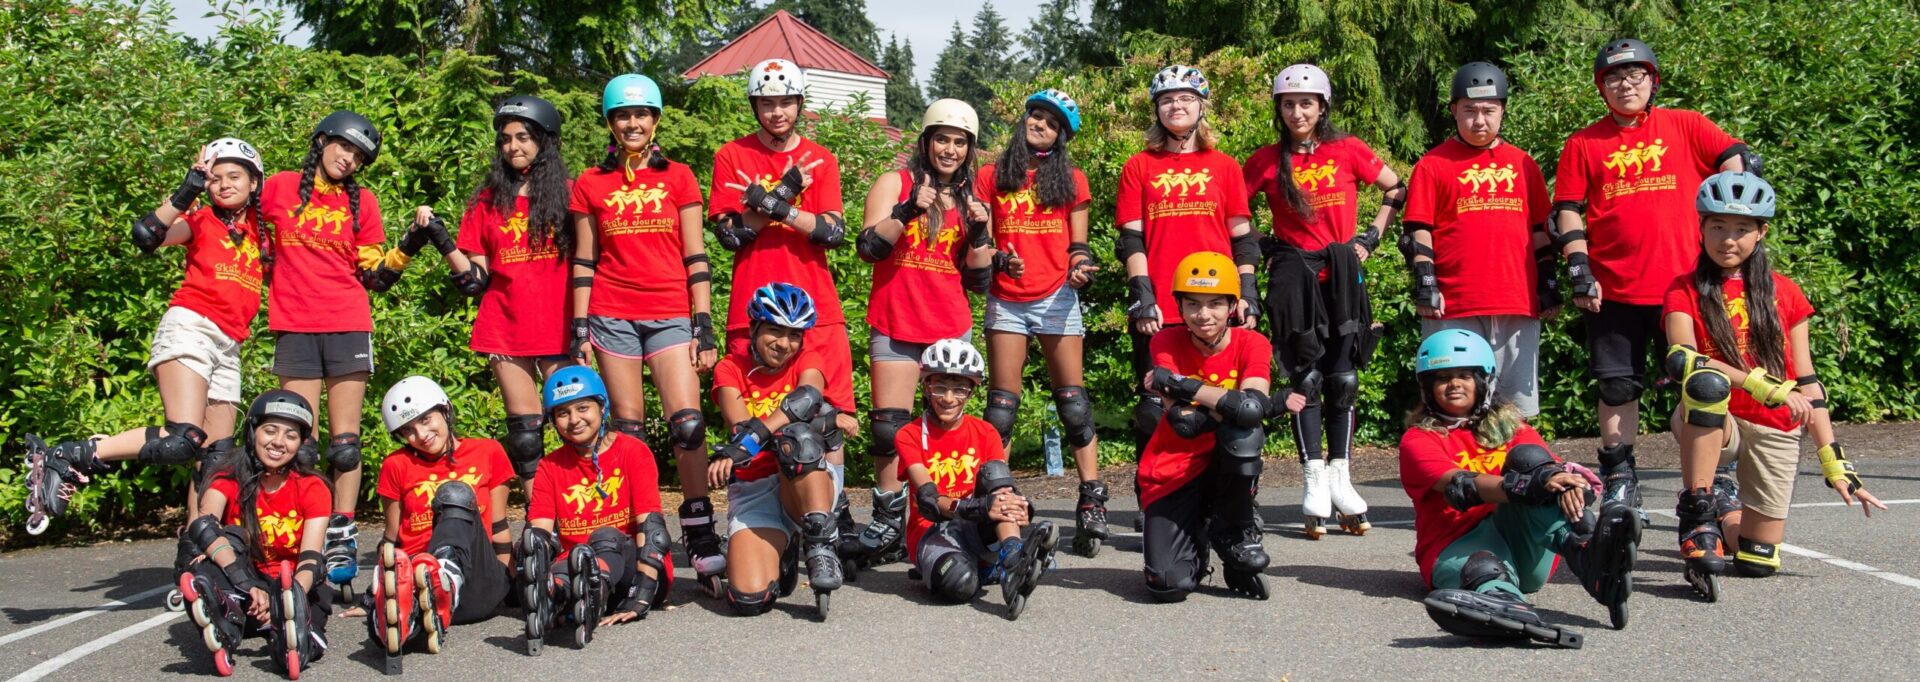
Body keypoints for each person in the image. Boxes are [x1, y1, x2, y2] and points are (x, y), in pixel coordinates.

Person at [1551, 38, 1752, 520]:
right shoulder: (1584, 142)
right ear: (1602, 88)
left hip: (1687, 288)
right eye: (1614, 78)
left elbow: (1734, 156)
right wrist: (1579, 268)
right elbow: (1568, 210)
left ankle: (1717, 477)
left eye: (1635, 76)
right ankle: (1621, 476)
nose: (1625, 85)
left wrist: (1733, 197)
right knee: (1617, 388)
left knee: (1705, 383)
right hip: (1615, 287)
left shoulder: (1685, 124)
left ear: (1652, 81)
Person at [24, 138, 267, 537]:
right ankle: (72, 454)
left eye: (234, 177)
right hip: (191, 327)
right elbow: (147, 234)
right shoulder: (201, 219)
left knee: (217, 458)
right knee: (183, 439)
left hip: (230, 343)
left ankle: (199, 548)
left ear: (254, 183)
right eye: (216, 178)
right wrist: (189, 186)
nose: (224, 184)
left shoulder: (261, 231)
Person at [1661, 172, 1885, 601]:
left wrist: (1833, 459)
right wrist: (1762, 385)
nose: (1728, 240)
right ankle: (1699, 510)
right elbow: (1682, 358)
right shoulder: (1684, 289)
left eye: (1742, 229)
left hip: (1775, 425)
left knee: (1758, 560)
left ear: (1761, 232)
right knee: (1704, 382)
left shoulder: (1785, 292)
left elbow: (1807, 380)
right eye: (1717, 227)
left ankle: (1726, 512)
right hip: (1716, 420)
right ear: (1702, 228)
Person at [568, 74, 723, 592]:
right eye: (622, 116)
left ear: (656, 120)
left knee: (688, 425)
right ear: (610, 123)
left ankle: (699, 531)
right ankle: (635, 534)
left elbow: (695, 254)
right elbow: (585, 259)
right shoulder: (590, 182)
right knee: (629, 434)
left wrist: (703, 324)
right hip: (612, 313)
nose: (632, 124)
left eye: (641, 115)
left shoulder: (678, 177)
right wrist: (580, 327)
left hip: (670, 311)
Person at [1243, 63, 1401, 539]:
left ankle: (1341, 474)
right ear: (1279, 109)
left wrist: (1371, 238)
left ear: (1323, 106)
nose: (1297, 111)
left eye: (1306, 103)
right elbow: (1231, 210)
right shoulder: (1266, 160)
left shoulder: (1347, 149)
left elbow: (1396, 187)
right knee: (1305, 375)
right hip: (1294, 272)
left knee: (1343, 376)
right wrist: (1265, 244)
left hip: (1341, 270)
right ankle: (1312, 476)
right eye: (1288, 104)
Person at [1403, 330, 1639, 647]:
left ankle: (1590, 557)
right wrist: (1530, 485)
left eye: (1464, 375)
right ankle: (1504, 599)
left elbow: (1551, 472)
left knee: (1533, 462)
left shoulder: (1513, 428)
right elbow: (1462, 486)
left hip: (1522, 548)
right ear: (1427, 388)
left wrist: (1567, 485)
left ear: (1483, 381)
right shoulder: (1419, 439)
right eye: (1443, 378)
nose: (1454, 384)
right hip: (1456, 545)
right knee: (1487, 560)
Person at [709, 62, 860, 546]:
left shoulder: (821, 159)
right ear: (755, 106)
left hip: (815, 304)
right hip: (750, 310)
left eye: (786, 102)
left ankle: (829, 521)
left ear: (800, 104)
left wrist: (780, 203)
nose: (777, 112)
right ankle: (766, 524)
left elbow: (833, 232)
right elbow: (730, 236)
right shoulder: (731, 156)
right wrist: (776, 202)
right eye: (768, 103)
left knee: (827, 415)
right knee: (748, 416)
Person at [853, 98, 998, 569]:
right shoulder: (895, 182)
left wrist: (978, 233)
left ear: (969, 149)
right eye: (942, 139)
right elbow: (868, 248)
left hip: (947, 324)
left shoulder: (973, 201)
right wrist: (906, 211)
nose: (950, 150)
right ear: (926, 141)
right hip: (896, 318)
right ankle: (889, 520)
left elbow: (979, 280)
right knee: (889, 428)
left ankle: (943, 513)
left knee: (945, 426)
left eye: (959, 142)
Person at [1116, 65, 1257, 527]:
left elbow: (1242, 237)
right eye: (1167, 100)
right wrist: (1142, 293)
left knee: (1225, 404)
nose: (1177, 106)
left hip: (1215, 304)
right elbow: (1131, 238)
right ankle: (1153, 498)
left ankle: (1229, 500)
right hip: (1162, 304)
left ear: (1201, 107)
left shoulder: (1224, 165)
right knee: (1153, 408)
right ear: (1157, 110)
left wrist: (1247, 291)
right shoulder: (1140, 165)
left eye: (1186, 99)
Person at [258, 110, 391, 600]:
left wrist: (405, 250)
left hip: (348, 320)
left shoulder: (364, 203)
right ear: (321, 141)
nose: (348, 159)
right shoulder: (280, 187)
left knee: (346, 444)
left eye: (357, 155)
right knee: (300, 442)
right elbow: (240, 221)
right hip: (294, 323)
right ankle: (301, 530)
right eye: (343, 147)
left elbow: (373, 264)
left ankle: (340, 532)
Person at [974, 89, 1110, 558]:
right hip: (1007, 299)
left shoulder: (1072, 178)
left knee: (1072, 403)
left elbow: (1080, 245)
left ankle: (1092, 497)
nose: (1040, 124)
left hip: (1056, 295)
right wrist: (997, 258)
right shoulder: (991, 176)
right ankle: (1001, 499)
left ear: (1061, 135)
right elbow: (982, 240)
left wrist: (1079, 267)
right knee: (1002, 408)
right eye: (1035, 115)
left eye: (1051, 122)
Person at [415, 95, 573, 483]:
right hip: (505, 324)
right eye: (505, 139)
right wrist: (441, 238)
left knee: (575, 427)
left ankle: (579, 519)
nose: (513, 147)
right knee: (525, 435)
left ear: (544, 141)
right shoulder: (487, 201)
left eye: (523, 137)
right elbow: (474, 281)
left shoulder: (571, 194)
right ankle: (538, 525)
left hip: (561, 323)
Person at [1402, 62, 1553, 417]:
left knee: (1515, 406)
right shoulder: (1433, 164)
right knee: (1454, 401)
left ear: (1502, 110)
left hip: (1516, 299)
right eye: (1469, 110)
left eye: (1489, 110)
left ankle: (1517, 467)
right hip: (1454, 302)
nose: (1479, 120)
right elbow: (1417, 230)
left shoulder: (1522, 164)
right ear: (1454, 110)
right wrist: (1426, 283)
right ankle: (1462, 470)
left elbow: (1541, 230)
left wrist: (1548, 282)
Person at [1137, 252, 1273, 602]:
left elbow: (1253, 406)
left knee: (1244, 434)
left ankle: (1233, 528)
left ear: (1232, 306)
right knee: (1167, 584)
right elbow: (1183, 422)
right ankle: (1200, 538)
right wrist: (1227, 406)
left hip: (1222, 465)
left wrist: (1185, 385)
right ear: (1179, 308)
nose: (1203, 315)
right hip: (1174, 469)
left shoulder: (1253, 343)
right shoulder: (1164, 341)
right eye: (1193, 304)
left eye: (1215, 303)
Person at [706, 283, 845, 617]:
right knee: (748, 600)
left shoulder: (808, 359)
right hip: (756, 489)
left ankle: (819, 544)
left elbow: (809, 397)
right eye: (774, 331)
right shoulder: (729, 368)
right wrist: (748, 439)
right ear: (753, 328)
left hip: (807, 483)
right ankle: (785, 550)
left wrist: (756, 434)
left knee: (800, 437)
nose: (785, 344)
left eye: (795, 335)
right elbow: (740, 429)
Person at [175, 390, 333, 678]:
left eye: (291, 436)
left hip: (294, 581)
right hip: (244, 581)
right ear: (252, 432)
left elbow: (311, 555)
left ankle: (296, 638)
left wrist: (288, 598)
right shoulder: (227, 476)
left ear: (301, 444)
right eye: (270, 431)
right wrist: (247, 584)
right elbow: (204, 525)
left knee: (314, 584)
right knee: (210, 550)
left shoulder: (313, 486)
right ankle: (224, 617)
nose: (278, 442)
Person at [897, 338, 1058, 619]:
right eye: (940, 387)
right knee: (960, 584)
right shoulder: (909, 434)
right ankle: (992, 569)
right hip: (932, 529)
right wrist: (978, 507)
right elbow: (928, 499)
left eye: (959, 389)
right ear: (926, 386)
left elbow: (1000, 488)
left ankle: (1013, 555)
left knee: (999, 480)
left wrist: (1016, 507)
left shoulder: (985, 432)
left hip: (978, 526)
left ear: (972, 392)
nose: (948, 398)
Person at [358, 376, 513, 663]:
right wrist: (377, 591)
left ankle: (447, 577)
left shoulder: (488, 451)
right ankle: (405, 622)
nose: (421, 434)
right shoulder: (396, 465)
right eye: (409, 430)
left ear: (445, 410)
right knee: (389, 628)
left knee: (454, 494)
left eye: (427, 419)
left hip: (478, 584)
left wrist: (509, 585)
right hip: (421, 586)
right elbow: (391, 539)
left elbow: (499, 527)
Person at [515, 366, 669, 655]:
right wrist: (529, 558)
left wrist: (643, 594)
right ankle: (557, 594)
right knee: (543, 549)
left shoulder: (632, 451)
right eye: (563, 413)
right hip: (576, 565)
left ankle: (588, 588)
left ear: (602, 406)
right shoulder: (550, 466)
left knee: (606, 537)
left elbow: (652, 528)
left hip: (634, 571)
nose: (574, 420)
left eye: (583, 408)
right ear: (553, 421)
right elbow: (540, 528)